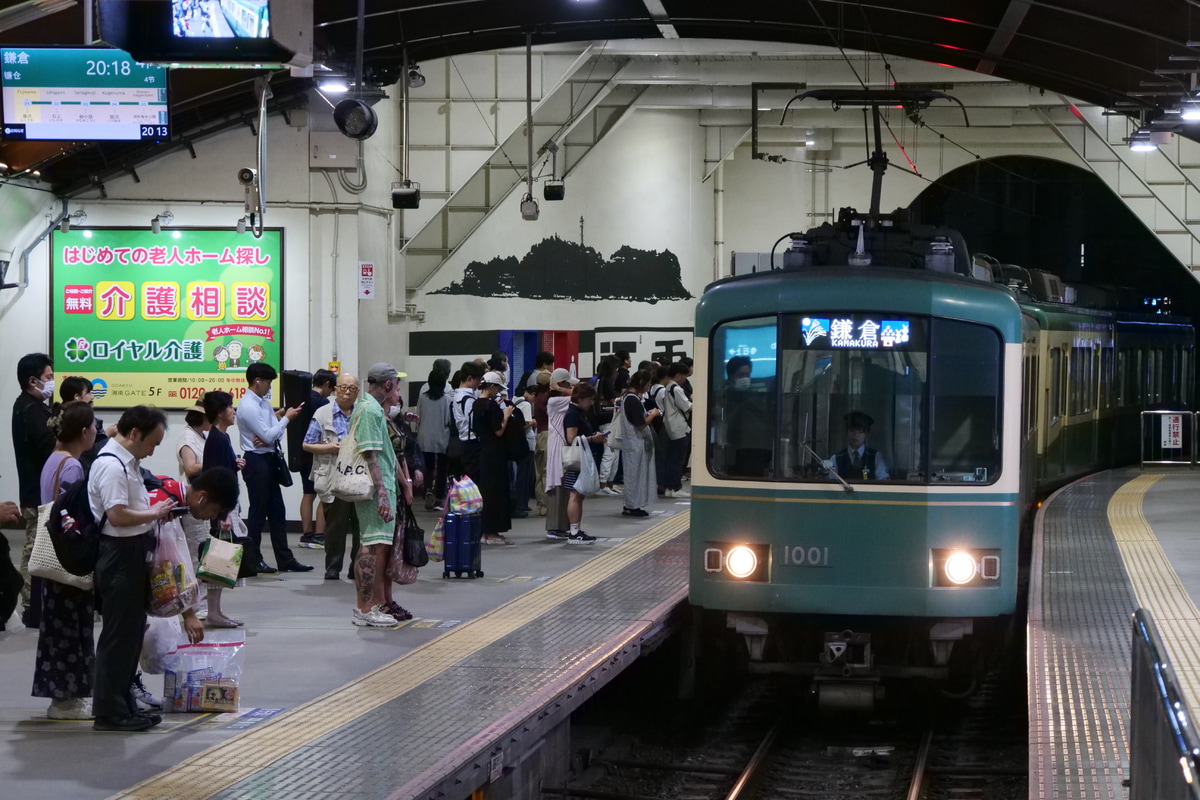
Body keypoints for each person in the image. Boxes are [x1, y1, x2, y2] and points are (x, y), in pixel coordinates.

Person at [89, 406, 179, 732]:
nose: (153, 450)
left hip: (132, 553)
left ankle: (124, 705)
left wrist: (154, 513)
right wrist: (154, 513)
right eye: (152, 443)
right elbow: (117, 515)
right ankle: (109, 711)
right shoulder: (111, 466)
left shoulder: (129, 464)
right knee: (118, 638)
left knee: (130, 637)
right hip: (118, 556)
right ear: (135, 434)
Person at [33, 401, 97, 720]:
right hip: (67, 555)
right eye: (95, 427)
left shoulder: (53, 459)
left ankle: (60, 697)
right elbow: (71, 512)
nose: (97, 432)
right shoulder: (72, 466)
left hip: (51, 552)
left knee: (56, 631)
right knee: (71, 629)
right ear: (84, 432)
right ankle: (67, 700)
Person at [235, 362, 311, 573]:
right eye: (268, 382)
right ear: (257, 381)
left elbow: (268, 433)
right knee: (258, 514)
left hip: (268, 459)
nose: (270, 387)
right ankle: (253, 559)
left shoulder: (262, 403)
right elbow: (269, 435)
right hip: (257, 461)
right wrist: (286, 419)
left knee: (278, 512)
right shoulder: (248, 405)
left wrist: (277, 421)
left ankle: (285, 559)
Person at [351, 364, 405, 628]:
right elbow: (370, 453)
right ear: (387, 386)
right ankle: (365, 608)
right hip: (375, 491)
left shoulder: (369, 408)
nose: (398, 390)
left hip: (381, 488)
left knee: (374, 545)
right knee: (370, 548)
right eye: (397, 384)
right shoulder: (371, 410)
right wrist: (382, 493)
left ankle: (368, 606)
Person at [12, 352, 56, 627]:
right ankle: (30, 606)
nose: (52, 383)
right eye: (48, 378)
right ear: (33, 381)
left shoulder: (34, 407)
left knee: (40, 548)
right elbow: (49, 448)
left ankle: (38, 603)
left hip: (39, 492)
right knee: (33, 549)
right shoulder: (31, 410)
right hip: (35, 493)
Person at [303, 373, 361, 581]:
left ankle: (357, 566)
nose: (347, 392)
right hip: (332, 476)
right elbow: (307, 444)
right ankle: (333, 567)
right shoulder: (322, 413)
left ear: (357, 393)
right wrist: (329, 447)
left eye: (352, 389)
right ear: (335, 389)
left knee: (359, 525)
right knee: (335, 525)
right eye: (343, 387)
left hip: (358, 478)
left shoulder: (362, 413)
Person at [201, 391, 246, 625]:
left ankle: (215, 611)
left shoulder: (222, 438)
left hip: (225, 506)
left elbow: (222, 470)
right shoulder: (217, 439)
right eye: (230, 407)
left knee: (221, 555)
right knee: (218, 556)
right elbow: (214, 478)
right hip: (221, 508)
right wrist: (223, 512)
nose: (233, 411)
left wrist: (234, 464)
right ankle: (213, 612)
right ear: (220, 412)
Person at [559, 382, 605, 544]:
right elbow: (571, 439)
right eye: (590, 400)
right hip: (577, 459)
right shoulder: (573, 414)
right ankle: (573, 531)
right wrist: (593, 438)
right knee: (575, 493)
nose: (591, 403)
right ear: (581, 398)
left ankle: (576, 529)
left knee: (579, 494)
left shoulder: (578, 412)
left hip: (583, 457)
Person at [473, 371, 516, 545]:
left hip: (483, 452)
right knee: (497, 493)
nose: (497, 391)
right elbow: (499, 431)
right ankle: (493, 533)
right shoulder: (491, 406)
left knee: (486, 493)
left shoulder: (476, 404)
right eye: (497, 388)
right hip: (496, 454)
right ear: (491, 386)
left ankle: (484, 532)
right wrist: (505, 414)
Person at [176, 403, 211, 617]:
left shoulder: (200, 436)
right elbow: (191, 468)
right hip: (194, 501)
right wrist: (217, 459)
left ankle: (201, 602)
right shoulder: (187, 438)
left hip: (203, 500)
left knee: (203, 550)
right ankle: (195, 605)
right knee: (195, 553)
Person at [299, 369, 336, 550]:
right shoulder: (323, 403)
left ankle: (307, 534)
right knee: (324, 494)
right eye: (333, 388)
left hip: (301, 453)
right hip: (319, 453)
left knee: (308, 494)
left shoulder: (302, 399)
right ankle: (320, 536)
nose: (332, 393)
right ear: (328, 384)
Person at [618, 370, 660, 517]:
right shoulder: (632, 400)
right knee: (634, 476)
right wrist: (653, 415)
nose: (649, 386)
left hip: (633, 444)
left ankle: (634, 504)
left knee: (634, 475)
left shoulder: (628, 398)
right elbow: (640, 425)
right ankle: (631, 506)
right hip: (635, 443)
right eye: (648, 383)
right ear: (642, 383)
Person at [723, 356, 773, 477]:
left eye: (747, 375)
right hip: (735, 450)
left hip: (759, 448)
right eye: (740, 375)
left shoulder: (757, 396)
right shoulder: (726, 397)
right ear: (731, 377)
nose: (745, 379)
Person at [544, 368, 578, 540]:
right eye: (567, 383)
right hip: (558, 445)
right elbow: (579, 395)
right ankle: (554, 527)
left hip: (559, 443)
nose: (569, 386)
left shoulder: (558, 399)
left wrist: (560, 388)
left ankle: (560, 526)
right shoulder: (554, 400)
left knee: (563, 485)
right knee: (558, 483)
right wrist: (558, 389)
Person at [416, 362, 452, 511]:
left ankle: (428, 489)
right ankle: (439, 498)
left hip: (424, 435)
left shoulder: (423, 398)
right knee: (442, 468)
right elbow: (448, 421)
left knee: (428, 466)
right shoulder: (447, 400)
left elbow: (418, 416)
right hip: (441, 436)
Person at [825, 411, 890, 480]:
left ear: (866, 435)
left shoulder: (875, 456)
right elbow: (831, 482)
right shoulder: (836, 458)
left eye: (860, 432)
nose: (856, 435)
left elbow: (883, 480)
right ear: (846, 433)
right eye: (852, 431)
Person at [660, 363, 693, 498]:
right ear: (678, 375)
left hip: (671, 427)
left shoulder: (668, 387)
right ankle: (676, 487)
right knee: (678, 460)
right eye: (684, 376)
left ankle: (669, 487)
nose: (684, 379)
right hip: (680, 428)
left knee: (671, 459)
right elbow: (688, 407)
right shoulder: (677, 389)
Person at [510, 383, 537, 518]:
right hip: (527, 442)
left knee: (516, 475)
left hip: (514, 442)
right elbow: (525, 423)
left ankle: (518, 503)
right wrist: (533, 422)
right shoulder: (526, 405)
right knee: (525, 475)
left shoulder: (513, 400)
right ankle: (522, 504)